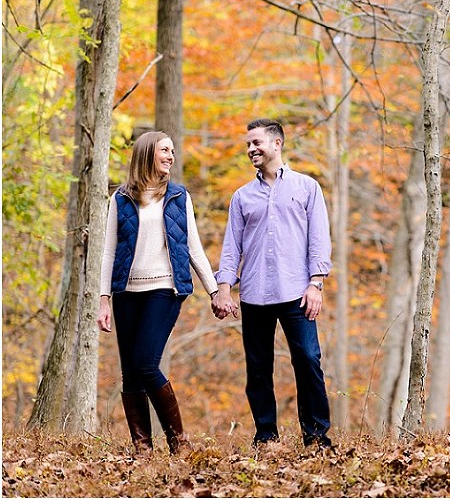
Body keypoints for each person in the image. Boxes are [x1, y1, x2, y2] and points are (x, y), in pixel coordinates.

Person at [212, 118, 333, 449]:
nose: (251, 149)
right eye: (248, 144)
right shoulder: (241, 197)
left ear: (276, 144)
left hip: (297, 292)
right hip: (254, 293)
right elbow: (231, 246)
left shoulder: (307, 188)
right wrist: (224, 287)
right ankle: (266, 436)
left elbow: (319, 239)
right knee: (258, 368)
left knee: (308, 360)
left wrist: (316, 283)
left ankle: (317, 436)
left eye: (256, 143)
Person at [97, 131, 219, 456]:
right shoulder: (120, 199)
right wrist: (103, 299)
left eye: (173, 151)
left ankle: (179, 443)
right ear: (148, 152)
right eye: (165, 150)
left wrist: (215, 290)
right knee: (130, 372)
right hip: (126, 292)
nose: (171, 156)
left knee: (146, 363)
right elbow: (108, 252)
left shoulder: (178, 197)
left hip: (165, 288)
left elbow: (194, 248)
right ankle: (142, 449)